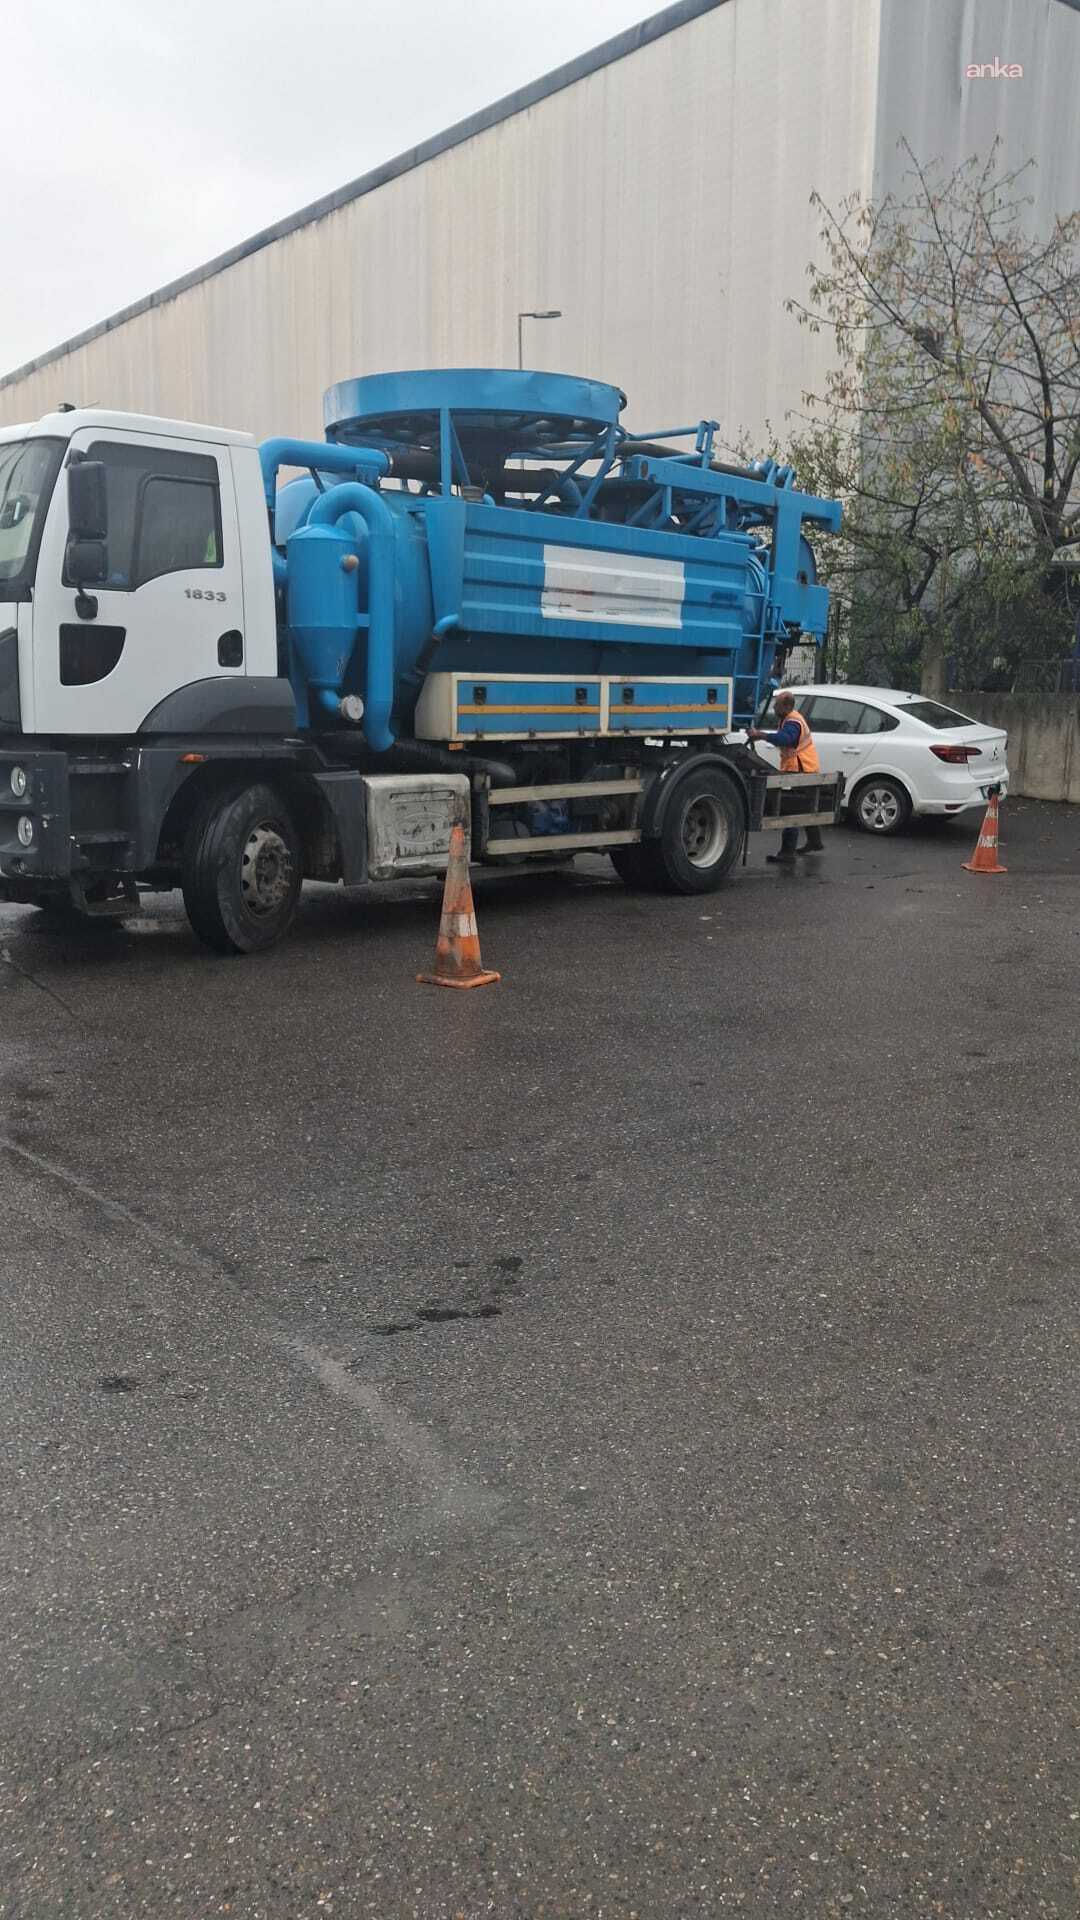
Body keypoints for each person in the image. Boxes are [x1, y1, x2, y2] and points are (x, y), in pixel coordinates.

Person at [747, 691, 824, 862]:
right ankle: (815, 842)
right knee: (805, 807)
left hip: (802, 768)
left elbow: (786, 739)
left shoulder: (793, 722)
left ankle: (787, 852)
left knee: (792, 809)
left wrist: (761, 735)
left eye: (777, 705)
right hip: (804, 767)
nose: (774, 707)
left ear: (787, 706)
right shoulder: (789, 719)